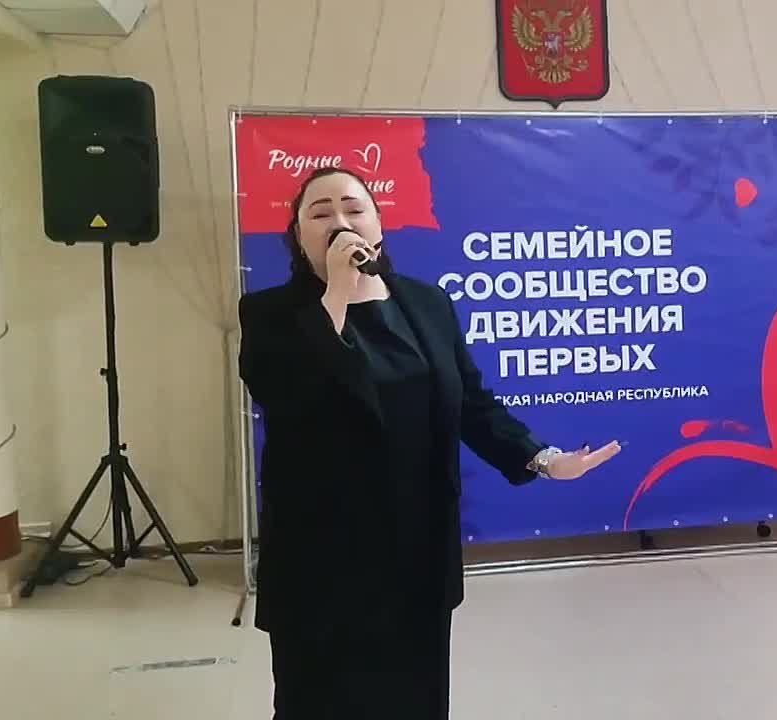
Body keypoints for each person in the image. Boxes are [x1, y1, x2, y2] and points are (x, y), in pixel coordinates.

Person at [238, 166, 621, 719]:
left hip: (415, 547)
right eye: (321, 213)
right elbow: (288, 394)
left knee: (414, 698)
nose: (340, 221)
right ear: (298, 237)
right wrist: (336, 296)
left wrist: (544, 459)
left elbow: (470, 402)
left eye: (354, 209)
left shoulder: (425, 303)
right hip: (321, 555)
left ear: (378, 226)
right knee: (318, 701)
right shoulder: (269, 314)